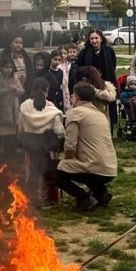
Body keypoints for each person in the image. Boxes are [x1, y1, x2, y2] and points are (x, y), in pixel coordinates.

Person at [48, 83, 117, 211]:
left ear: (77, 98)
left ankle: (84, 197)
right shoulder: (100, 113)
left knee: (51, 169)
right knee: (86, 165)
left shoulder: (75, 113)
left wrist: (67, 160)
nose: (71, 99)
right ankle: (101, 194)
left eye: (73, 96)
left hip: (93, 167)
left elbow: (70, 145)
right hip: (110, 167)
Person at [17, 77, 64, 202]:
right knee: (48, 171)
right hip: (46, 146)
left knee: (31, 171)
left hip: (30, 145)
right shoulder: (50, 107)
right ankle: (50, 198)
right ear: (47, 90)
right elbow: (59, 131)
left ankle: (32, 197)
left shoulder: (24, 106)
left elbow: (20, 126)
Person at [72, 29, 118, 131]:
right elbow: (81, 68)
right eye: (92, 38)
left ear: (101, 39)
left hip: (106, 84)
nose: (94, 41)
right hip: (90, 85)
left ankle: (107, 131)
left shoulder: (109, 51)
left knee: (107, 111)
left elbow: (113, 66)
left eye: (96, 38)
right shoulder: (84, 53)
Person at [0, 60, 24, 161]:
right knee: (2, 132)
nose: (9, 69)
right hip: (3, 107)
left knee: (12, 132)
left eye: (11, 67)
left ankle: (10, 152)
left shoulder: (14, 78)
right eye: (7, 67)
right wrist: (9, 89)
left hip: (14, 106)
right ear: (1, 67)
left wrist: (16, 89)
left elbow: (21, 91)